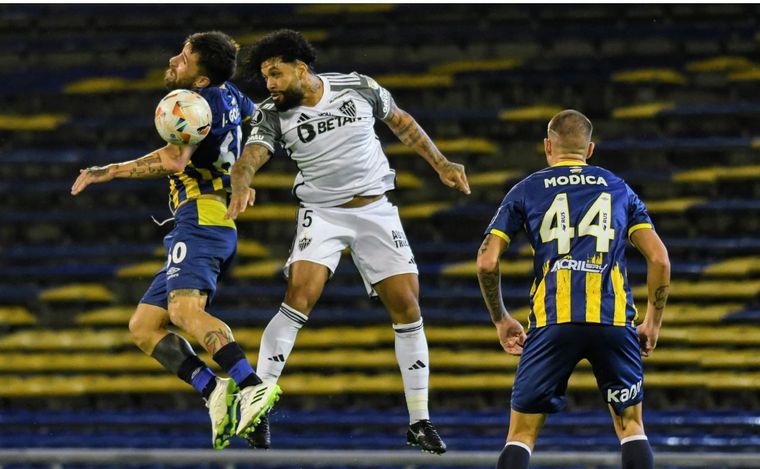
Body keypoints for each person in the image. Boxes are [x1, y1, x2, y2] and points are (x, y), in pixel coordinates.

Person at [224, 29, 470, 453]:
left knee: (408, 305)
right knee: (300, 294)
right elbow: (249, 158)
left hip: (375, 209)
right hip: (322, 213)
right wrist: (241, 184)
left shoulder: (358, 86)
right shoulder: (271, 113)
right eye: (266, 77)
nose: (270, 84)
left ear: (302, 69)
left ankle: (419, 421)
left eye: (276, 74)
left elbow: (403, 123)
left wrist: (442, 163)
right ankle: (256, 408)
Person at [70, 31, 281, 450]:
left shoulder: (192, 106)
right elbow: (263, 122)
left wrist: (108, 171)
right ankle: (215, 391)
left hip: (200, 218)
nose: (174, 60)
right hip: (208, 220)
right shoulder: (232, 97)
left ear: (201, 80)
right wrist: (241, 175)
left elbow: (172, 160)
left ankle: (252, 385)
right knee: (145, 326)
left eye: (184, 59)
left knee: (184, 311)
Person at [476, 110, 670, 469]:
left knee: (521, 435)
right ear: (590, 149)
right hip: (611, 320)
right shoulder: (619, 188)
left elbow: (486, 262)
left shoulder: (526, 189)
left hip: (553, 322)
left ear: (548, 146)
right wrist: (653, 323)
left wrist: (501, 319)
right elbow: (659, 259)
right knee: (631, 427)